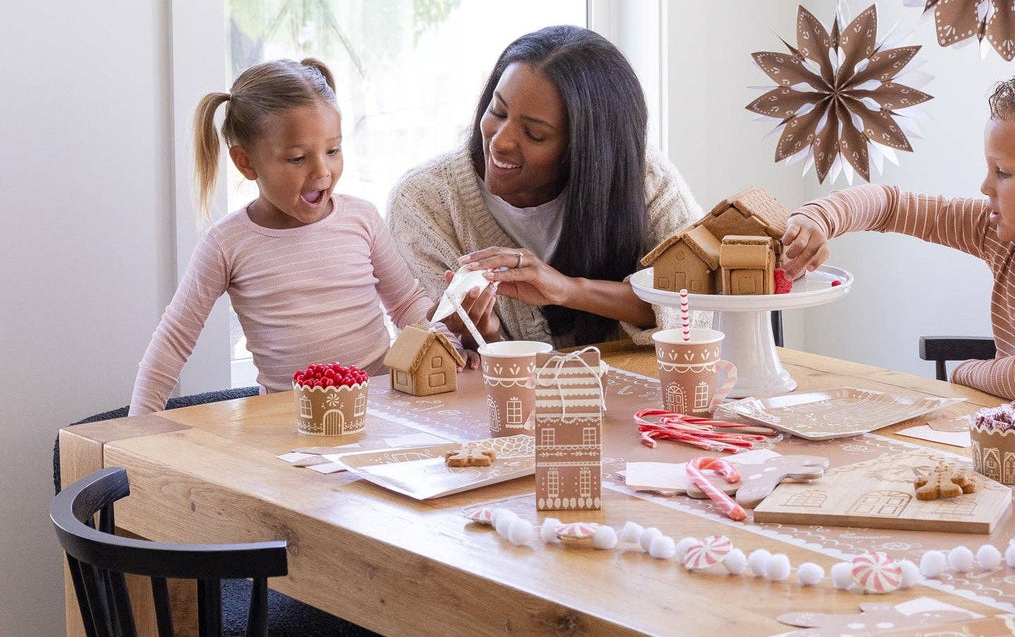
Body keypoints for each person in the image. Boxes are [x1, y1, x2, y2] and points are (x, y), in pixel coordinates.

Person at [782, 64, 1015, 406]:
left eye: (1003, 172)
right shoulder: (999, 233)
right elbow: (889, 205)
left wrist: (961, 371)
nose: (986, 186)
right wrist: (820, 218)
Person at [130, 58, 436, 415]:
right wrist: (137, 431)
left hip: (379, 413)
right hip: (287, 426)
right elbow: (173, 342)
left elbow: (405, 304)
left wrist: (443, 340)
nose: (322, 170)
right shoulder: (226, 244)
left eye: (333, 150)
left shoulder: (362, 218)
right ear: (246, 163)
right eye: (297, 158)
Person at [388, 25, 701, 350]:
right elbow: (435, 353)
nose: (500, 141)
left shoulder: (643, 176)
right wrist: (482, 337)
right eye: (497, 111)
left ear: (586, 149)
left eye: (535, 134)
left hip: (638, 392)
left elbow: (699, 304)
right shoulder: (424, 202)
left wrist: (568, 289)